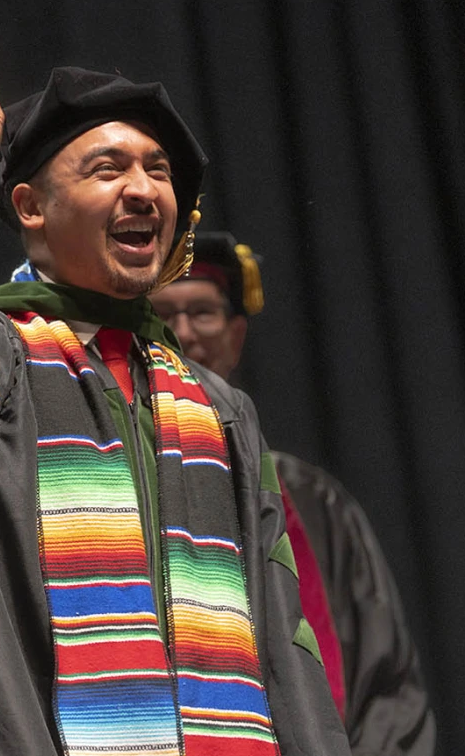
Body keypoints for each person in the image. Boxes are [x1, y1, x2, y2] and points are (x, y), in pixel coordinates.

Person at [0, 14, 349, 756]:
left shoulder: (219, 413)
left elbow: (282, 638)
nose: (143, 189)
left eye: (158, 170)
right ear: (30, 206)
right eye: (107, 168)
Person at [149, 232, 437, 755]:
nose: (183, 333)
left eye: (202, 313)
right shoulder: (113, 483)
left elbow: (384, 682)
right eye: (164, 315)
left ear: (236, 336)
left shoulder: (312, 502)